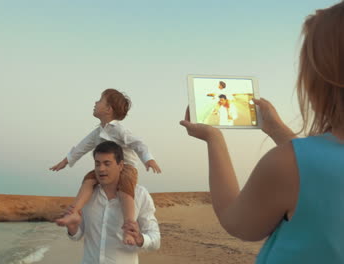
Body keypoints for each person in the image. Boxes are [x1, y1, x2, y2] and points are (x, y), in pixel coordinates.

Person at [180, 1, 344, 263]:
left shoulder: (287, 163)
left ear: (319, 81)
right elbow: (319, 170)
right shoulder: (303, 162)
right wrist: (276, 129)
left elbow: (238, 223)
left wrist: (214, 139)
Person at [50, 88, 161, 245]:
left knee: (126, 188)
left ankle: (129, 228)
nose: (95, 103)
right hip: (105, 169)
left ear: (108, 109)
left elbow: (138, 143)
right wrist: (66, 161)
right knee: (88, 179)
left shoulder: (119, 130)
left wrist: (148, 159)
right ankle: (74, 212)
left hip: (126, 167)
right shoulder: (97, 132)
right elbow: (82, 146)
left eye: (100, 100)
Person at [63, 141, 161, 264]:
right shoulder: (88, 195)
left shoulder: (140, 195)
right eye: (97, 164)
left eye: (107, 163)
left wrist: (140, 238)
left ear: (120, 166)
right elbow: (77, 236)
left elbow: (155, 241)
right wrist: (72, 228)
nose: (101, 169)